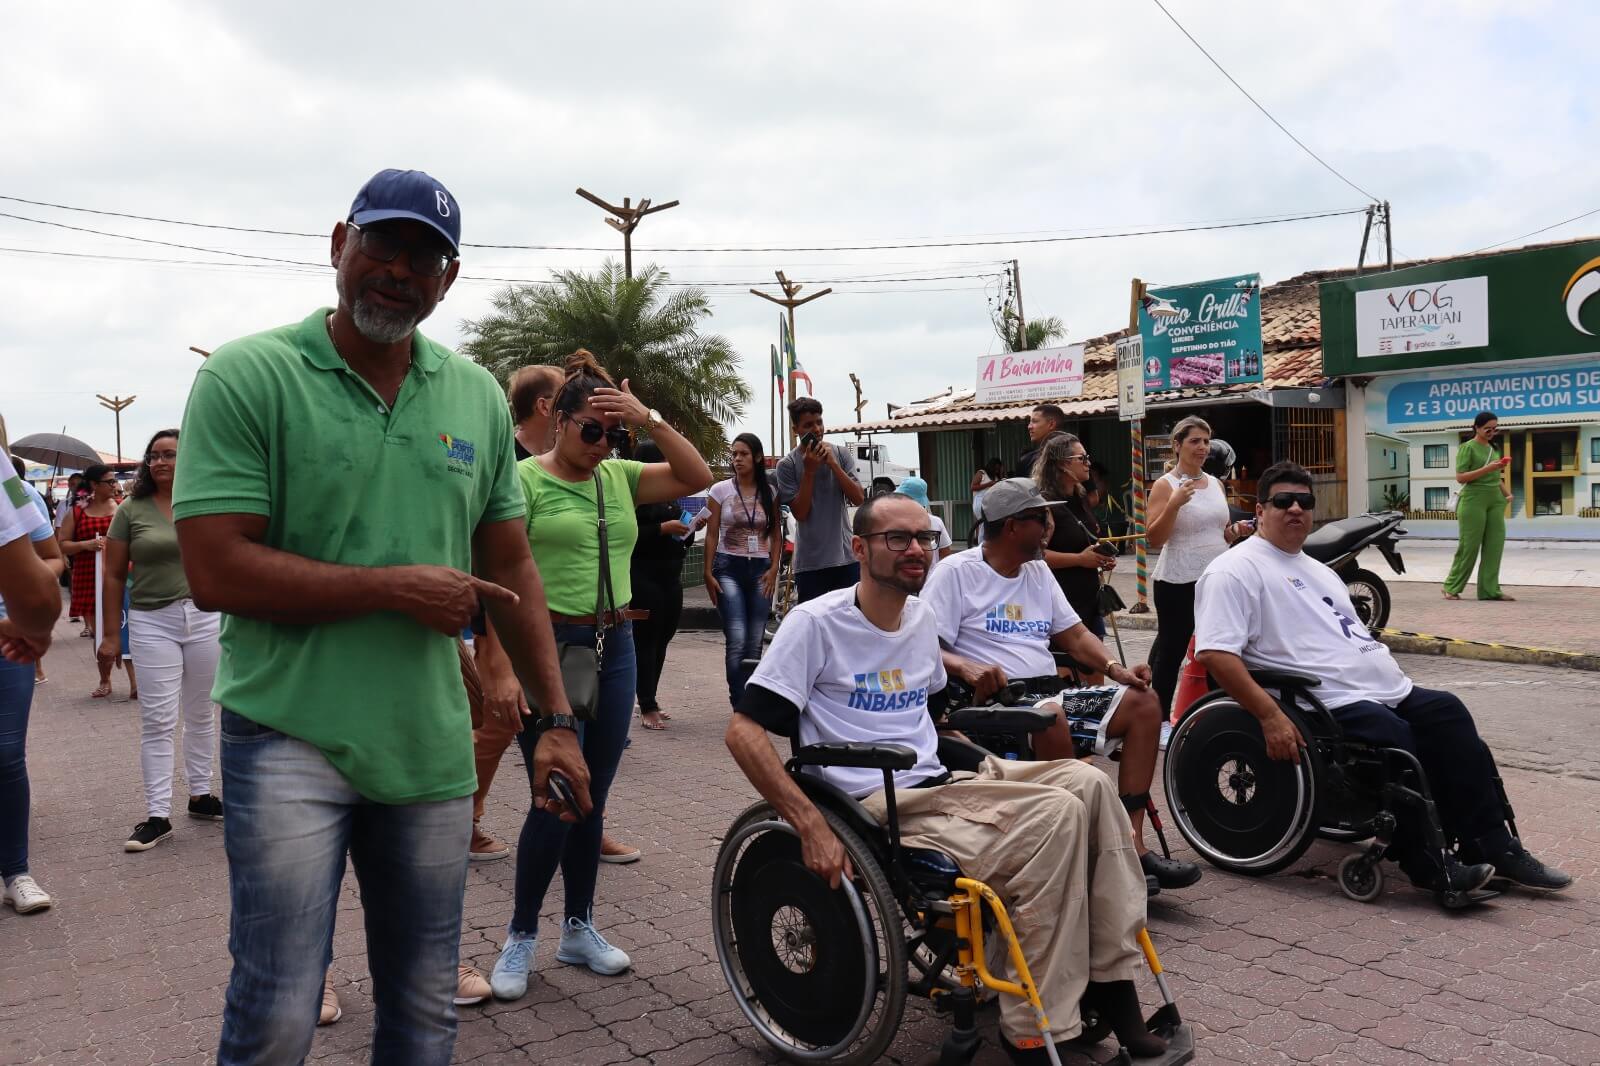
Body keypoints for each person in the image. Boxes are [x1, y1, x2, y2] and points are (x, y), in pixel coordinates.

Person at [173, 168, 592, 1066]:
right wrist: (394, 588)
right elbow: (213, 569)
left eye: (425, 258)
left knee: (423, 1013)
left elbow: (508, 560)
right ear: (339, 245)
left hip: (430, 744)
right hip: (289, 735)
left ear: (447, 281)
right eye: (383, 247)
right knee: (278, 1011)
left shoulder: (474, 393)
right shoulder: (251, 375)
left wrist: (555, 722)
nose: (400, 271)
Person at [725, 493, 1166, 1063]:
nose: (916, 550)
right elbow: (743, 731)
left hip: (939, 778)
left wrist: (982, 756)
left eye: (925, 538)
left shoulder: (920, 618)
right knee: (1056, 817)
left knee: (1091, 785)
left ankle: (1112, 986)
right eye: (897, 539)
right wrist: (809, 825)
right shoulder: (816, 623)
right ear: (859, 548)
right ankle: (1032, 1027)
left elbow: (932, 716)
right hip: (875, 798)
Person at [1195, 461, 1570, 904]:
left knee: (1449, 715)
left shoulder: (1320, 570)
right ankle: (1430, 866)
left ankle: (1492, 845)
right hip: (1324, 700)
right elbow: (1216, 654)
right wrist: (1270, 715)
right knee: (1396, 741)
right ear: (1260, 510)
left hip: (1387, 690)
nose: (1296, 509)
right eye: (1283, 501)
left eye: (1305, 501)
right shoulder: (1234, 571)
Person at [491, 350, 712, 1001]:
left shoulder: (616, 477)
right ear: (557, 420)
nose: (602, 444)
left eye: (612, 434)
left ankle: (577, 927)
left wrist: (648, 418)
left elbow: (694, 473)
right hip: (552, 647)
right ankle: (520, 935)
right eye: (591, 429)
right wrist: (500, 664)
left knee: (593, 796)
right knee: (556, 793)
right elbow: (500, 580)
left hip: (614, 643)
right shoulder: (523, 482)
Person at [922, 478, 1201, 892]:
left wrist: (1114, 668)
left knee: (1145, 701)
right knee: (1050, 716)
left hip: (1049, 688)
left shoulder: (1036, 571)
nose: (1049, 525)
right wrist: (965, 666)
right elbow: (923, 645)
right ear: (1012, 525)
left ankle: (1131, 847)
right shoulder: (956, 573)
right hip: (993, 700)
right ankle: (1080, 852)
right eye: (1040, 518)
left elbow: (1073, 634)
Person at [99, 430, 224, 852]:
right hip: (153, 620)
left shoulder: (206, 501)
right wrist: (111, 636)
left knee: (203, 712)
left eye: (170, 454)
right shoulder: (129, 509)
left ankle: (202, 796)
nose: (160, 462)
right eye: (153, 455)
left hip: (206, 617)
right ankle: (156, 815)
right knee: (158, 720)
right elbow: (114, 574)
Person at [468, 362, 566, 861]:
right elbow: (492, 555)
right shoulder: (501, 456)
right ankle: (467, 816)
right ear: (547, 406)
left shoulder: (561, 462)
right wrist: (493, 644)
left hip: (550, 618)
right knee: (500, 719)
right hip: (494, 615)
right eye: (567, 397)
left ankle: (577, 817)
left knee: (561, 721)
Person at [0, 420, 65, 917]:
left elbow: (50, 557)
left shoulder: (13, 488)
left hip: (7, 637)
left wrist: (26, 611)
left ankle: (16, 872)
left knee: (6, 756)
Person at [1143, 416, 1248, 716]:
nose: (1202, 447)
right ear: (1177, 445)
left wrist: (1235, 532)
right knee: (1171, 652)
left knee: (1219, 650)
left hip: (1216, 579)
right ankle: (1160, 719)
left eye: (1206, 441)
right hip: (1178, 580)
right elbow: (1154, 538)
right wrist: (1174, 503)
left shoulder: (1215, 483)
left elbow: (1220, 531)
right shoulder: (1166, 486)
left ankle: (1219, 714)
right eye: (1195, 441)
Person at [703, 432, 781, 708]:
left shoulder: (769, 492)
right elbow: (711, 534)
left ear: (757, 457)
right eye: (734, 454)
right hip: (728, 567)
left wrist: (774, 568)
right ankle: (739, 703)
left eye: (743, 454)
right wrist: (707, 572)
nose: (737, 459)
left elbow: (775, 532)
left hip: (760, 567)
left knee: (755, 639)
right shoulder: (719, 490)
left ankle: (753, 701)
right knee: (736, 637)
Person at [773, 398, 865, 603]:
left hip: (846, 558)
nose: (816, 429)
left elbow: (858, 498)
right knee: (816, 627)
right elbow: (801, 513)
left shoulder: (840, 453)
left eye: (819, 422)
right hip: (811, 564)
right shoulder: (787, 465)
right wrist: (809, 472)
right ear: (796, 429)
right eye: (808, 425)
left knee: (851, 621)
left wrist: (833, 465)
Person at [631, 441, 690, 730]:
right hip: (643, 575)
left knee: (664, 636)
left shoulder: (668, 496)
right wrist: (662, 529)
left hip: (670, 574)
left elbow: (678, 535)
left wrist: (688, 530)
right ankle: (647, 703)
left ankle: (648, 696)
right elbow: (627, 533)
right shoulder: (633, 496)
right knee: (646, 638)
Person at [1033, 433, 1115, 641]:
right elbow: (1035, 555)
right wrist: (1079, 559)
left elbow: (1086, 540)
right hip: (1061, 598)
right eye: (1082, 458)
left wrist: (1099, 557)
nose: (1088, 463)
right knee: (1070, 668)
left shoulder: (1079, 497)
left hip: (1089, 595)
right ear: (1062, 464)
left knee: (1098, 666)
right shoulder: (1045, 503)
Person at [1442, 410, 1515, 602]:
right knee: (1469, 547)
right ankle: (1451, 587)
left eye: (1494, 429)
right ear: (1476, 427)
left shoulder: (1494, 448)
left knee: (1495, 546)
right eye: (1487, 429)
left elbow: (1495, 477)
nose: (1492, 432)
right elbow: (1460, 477)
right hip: (1473, 500)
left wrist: (1507, 494)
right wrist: (1487, 468)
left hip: (1495, 500)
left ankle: (1490, 591)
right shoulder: (1468, 448)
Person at [890, 476, 953, 568]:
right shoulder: (936, 521)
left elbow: (945, 552)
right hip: (930, 577)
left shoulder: (893, 521)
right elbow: (945, 552)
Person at [1014, 403, 1066, 477]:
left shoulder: (1073, 457)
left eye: (1034, 421)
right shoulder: (1027, 461)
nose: (1029, 426)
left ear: (1051, 424)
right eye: (1030, 422)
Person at [971, 457, 1004, 530]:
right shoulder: (981, 473)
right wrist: (988, 484)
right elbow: (972, 487)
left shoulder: (996, 476)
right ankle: (981, 541)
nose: (996, 471)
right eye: (995, 469)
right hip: (980, 502)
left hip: (991, 502)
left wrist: (1001, 473)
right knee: (983, 525)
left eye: (998, 469)